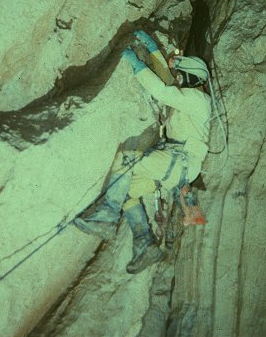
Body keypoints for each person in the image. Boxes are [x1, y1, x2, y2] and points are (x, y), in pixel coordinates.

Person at [74, 30, 212, 274]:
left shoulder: (198, 100)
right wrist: (153, 50)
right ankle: (145, 244)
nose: (178, 79)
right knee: (127, 192)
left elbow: (163, 91)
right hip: (176, 167)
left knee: (127, 159)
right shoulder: (191, 98)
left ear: (192, 77)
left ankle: (106, 216)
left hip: (178, 161)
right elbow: (167, 82)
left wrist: (136, 65)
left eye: (182, 75)